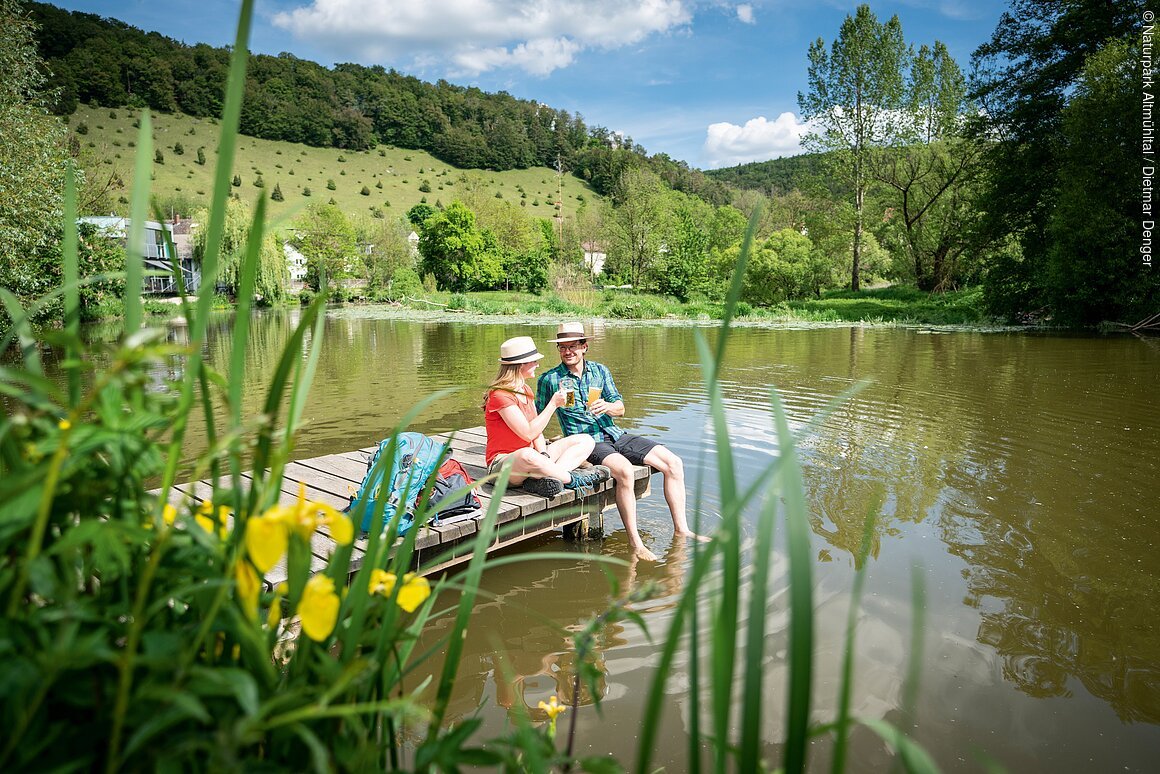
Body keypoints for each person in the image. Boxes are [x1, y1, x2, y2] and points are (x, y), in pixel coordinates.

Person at [536, 322, 705, 561]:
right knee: (625, 471)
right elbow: (537, 417)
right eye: (562, 347)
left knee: (673, 463)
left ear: (585, 347)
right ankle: (636, 544)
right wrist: (541, 449)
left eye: (573, 346)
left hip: (614, 433)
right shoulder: (550, 379)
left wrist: (607, 407)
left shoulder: (600, 371)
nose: (567, 352)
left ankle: (682, 530)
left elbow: (621, 407)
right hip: (588, 442)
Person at [484, 336, 610, 498]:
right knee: (526, 455)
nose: (538, 364)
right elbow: (527, 433)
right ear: (520, 365)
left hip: (532, 457)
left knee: (585, 440)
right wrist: (553, 405)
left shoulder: (525, 389)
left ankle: (546, 478)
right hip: (504, 465)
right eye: (534, 361)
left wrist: (544, 454)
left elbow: (536, 431)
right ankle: (574, 479)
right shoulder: (500, 394)